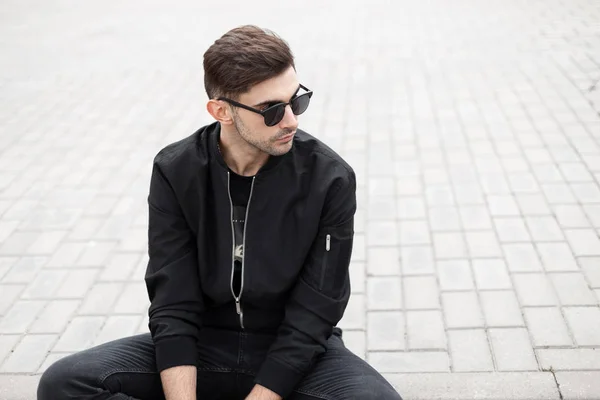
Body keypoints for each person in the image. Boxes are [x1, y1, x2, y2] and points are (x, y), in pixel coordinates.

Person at [37, 25, 402, 400]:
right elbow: (173, 301)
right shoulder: (176, 170)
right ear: (221, 111)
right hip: (203, 346)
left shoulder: (330, 178)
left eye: (297, 100)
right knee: (64, 383)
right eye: (272, 110)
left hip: (295, 355)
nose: (291, 120)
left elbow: (316, 311)